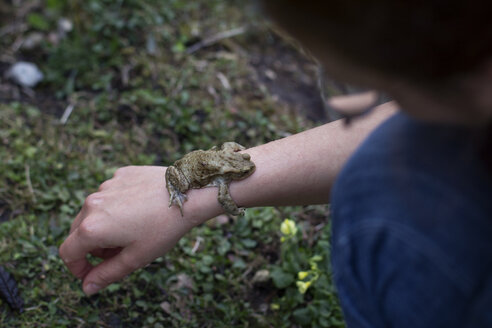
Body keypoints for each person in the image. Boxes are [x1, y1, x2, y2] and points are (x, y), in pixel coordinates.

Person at [59, 1, 492, 327]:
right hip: (194, 168)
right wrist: (187, 196)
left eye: (365, 82)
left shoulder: (383, 213)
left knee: (375, 202)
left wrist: (197, 200)